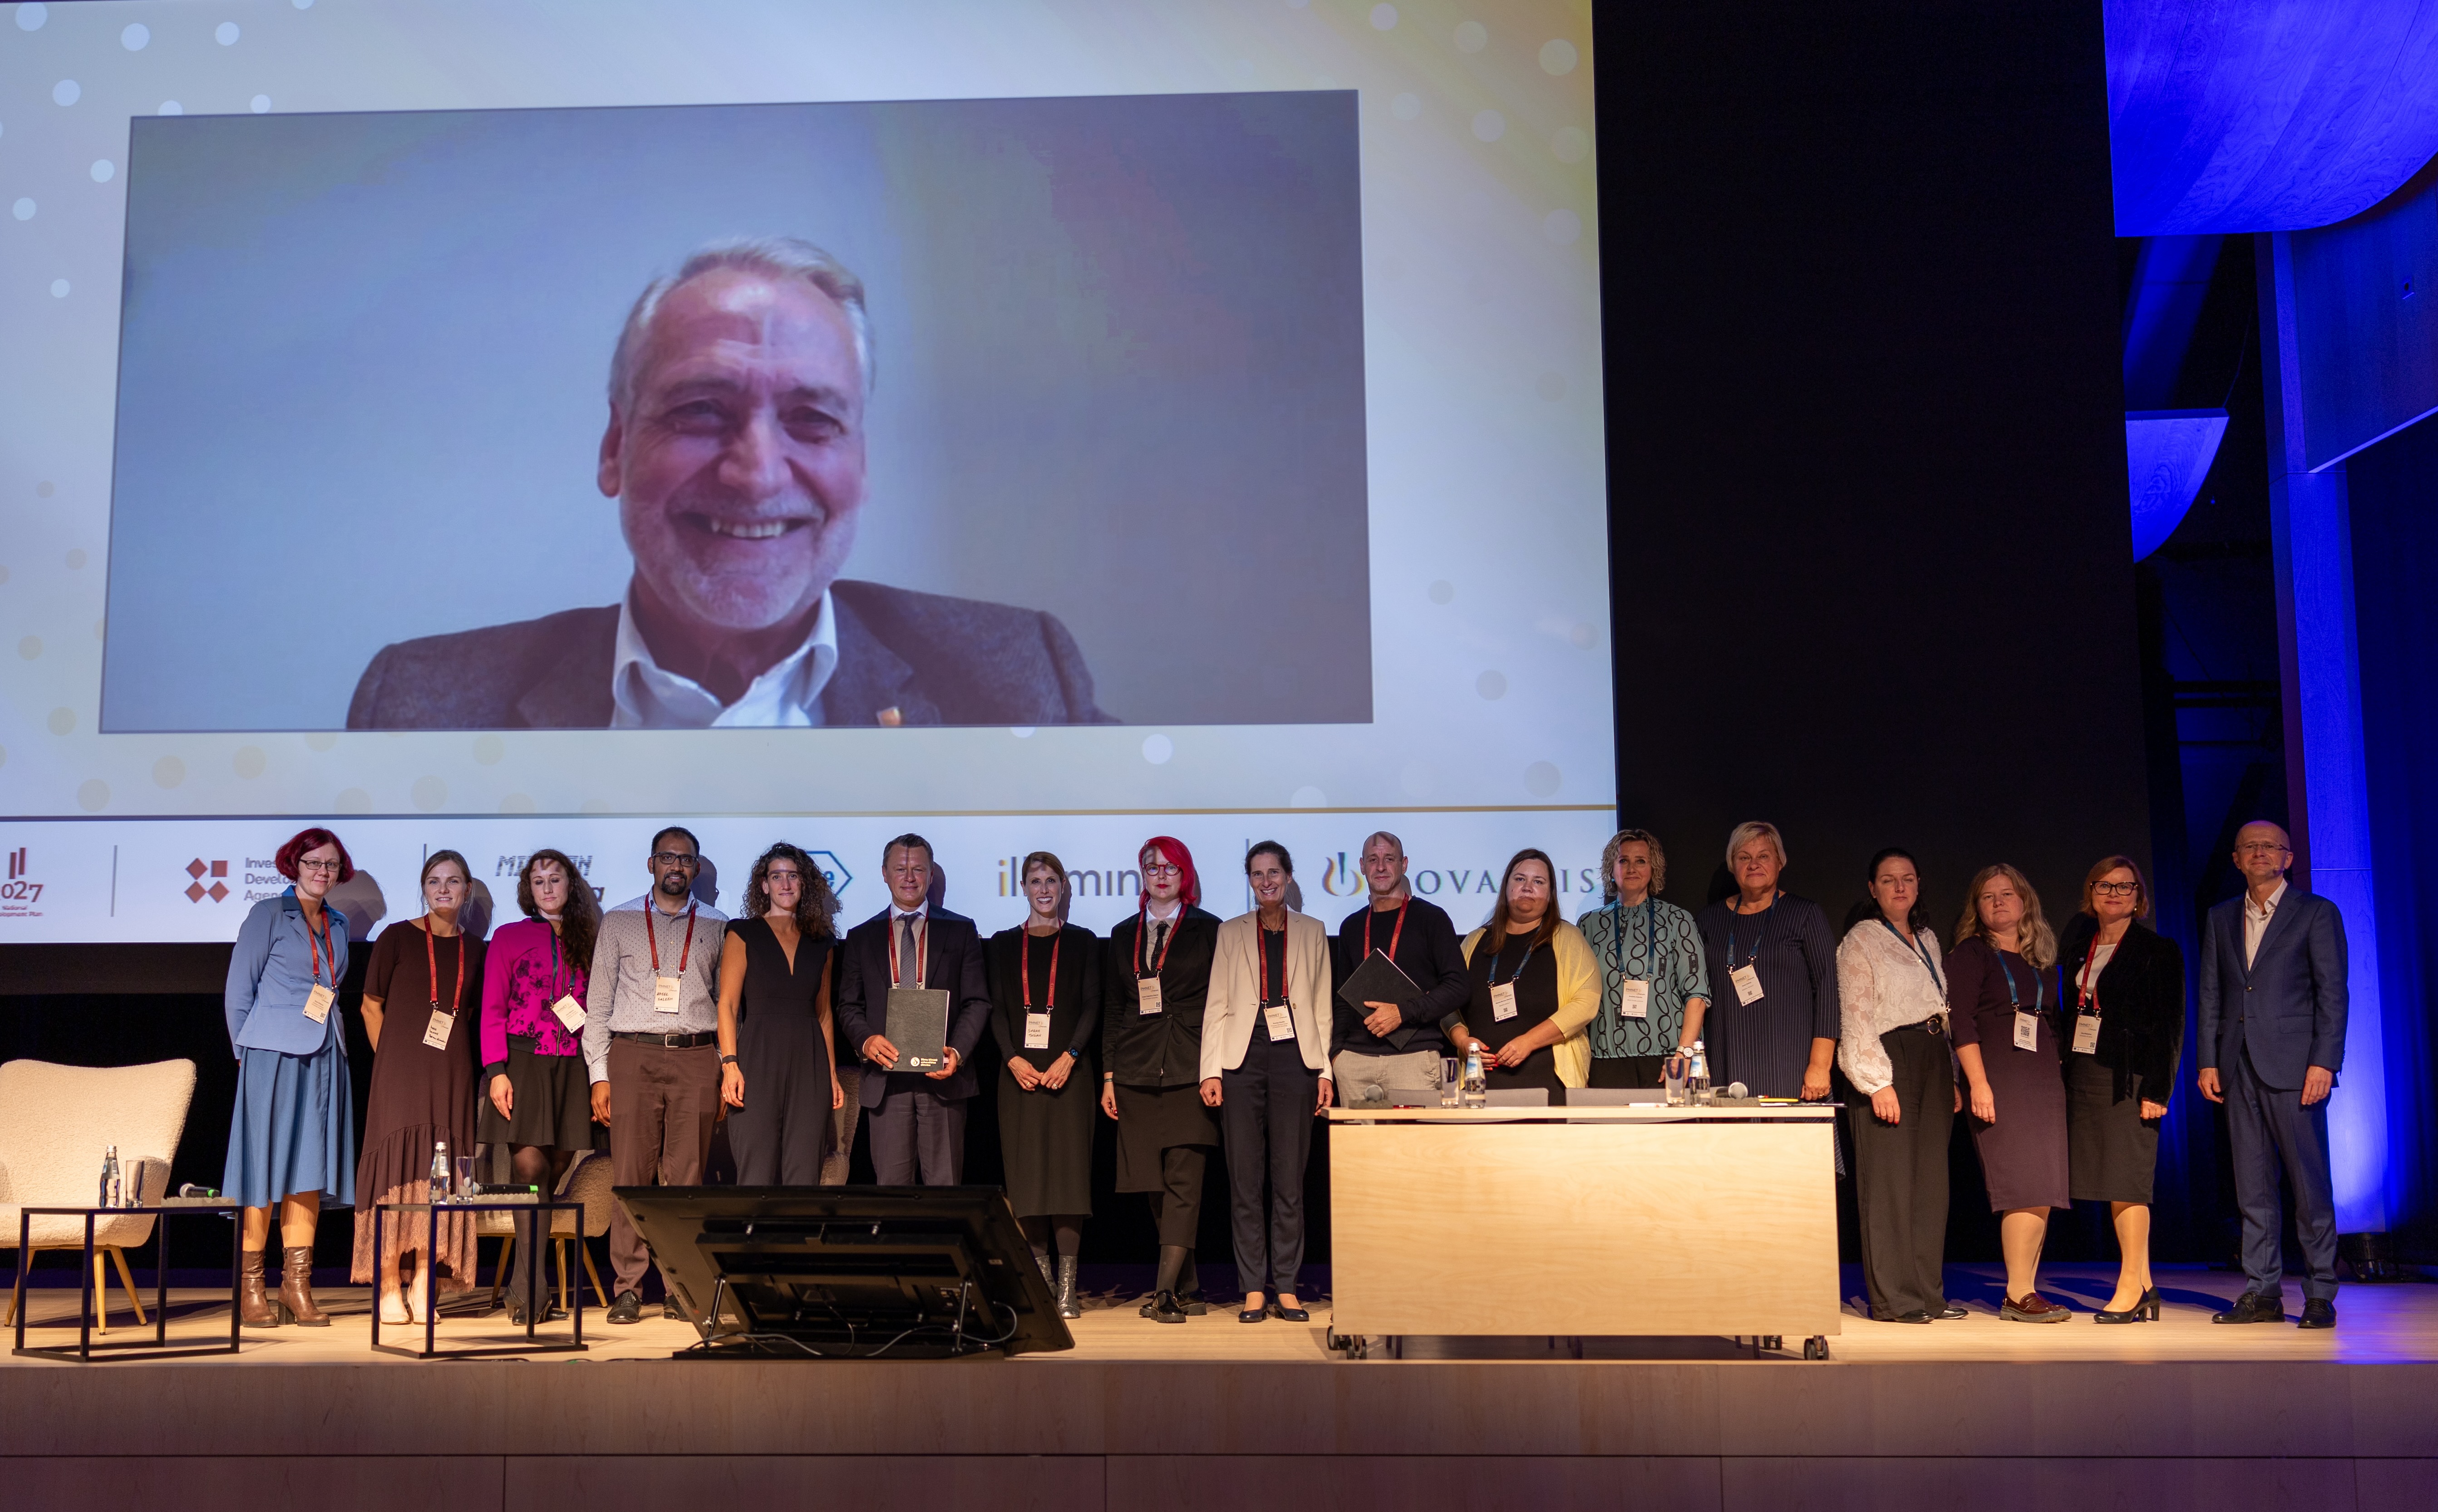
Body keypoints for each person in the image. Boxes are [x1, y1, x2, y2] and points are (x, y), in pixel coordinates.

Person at [347, 237, 1110, 730]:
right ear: (615, 446)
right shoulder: (422, 707)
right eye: (701, 411)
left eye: (812, 419)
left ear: (862, 463)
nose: (756, 473)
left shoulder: (1020, 684)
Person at [2198, 820, 2348, 1330]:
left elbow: (2332, 992)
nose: (2259, 852)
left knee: (2308, 1183)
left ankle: (2320, 1291)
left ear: (2288, 858)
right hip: (2237, 1064)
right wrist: (2207, 1059)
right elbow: (2212, 994)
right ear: (2236, 859)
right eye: (2249, 846)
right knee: (2252, 1186)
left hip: (2296, 1066)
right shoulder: (2221, 917)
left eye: (2270, 846)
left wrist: (2324, 1061)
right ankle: (2261, 1291)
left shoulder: (2316, 912)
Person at [582, 826, 729, 1324]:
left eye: (685, 859)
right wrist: (599, 1075)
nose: (676, 866)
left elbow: (727, 1005)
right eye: (667, 857)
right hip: (633, 1055)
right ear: (651, 864)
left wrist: (724, 1066)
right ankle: (628, 1287)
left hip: (695, 1055)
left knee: (687, 1179)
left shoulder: (719, 925)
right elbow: (598, 1005)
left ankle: (679, 1286)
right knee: (631, 1176)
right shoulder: (619, 919)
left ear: (696, 867)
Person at [222, 827, 357, 1329]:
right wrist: (246, 1052)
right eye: (313, 863)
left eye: (331, 864)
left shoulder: (338, 923)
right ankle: (251, 1287)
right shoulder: (267, 914)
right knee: (262, 1167)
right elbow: (239, 990)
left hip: (325, 1054)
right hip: (271, 1054)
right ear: (294, 866)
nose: (323, 871)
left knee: (309, 1168)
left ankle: (296, 1285)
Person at [352, 850, 485, 1325]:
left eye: (453, 881)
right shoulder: (396, 937)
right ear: (424, 888)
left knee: (445, 1173)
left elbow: (472, 1014)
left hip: (452, 1073)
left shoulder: (478, 948)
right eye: (434, 881)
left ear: (467, 890)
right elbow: (370, 1005)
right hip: (399, 1072)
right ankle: (389, 1281)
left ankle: (426, 1280)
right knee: (397, 1166)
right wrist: (388, 1059)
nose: (443, 889)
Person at [1202, 843, 1334, 1324]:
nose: (1266, 881)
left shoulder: (1313, 930)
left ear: (1288, 876)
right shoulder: (1231, 930)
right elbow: (1217, 1003)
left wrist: (1325, 1070)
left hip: (1296, 1057)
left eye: (1273, 872)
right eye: (1257, 874)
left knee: (1289, 1179)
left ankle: (1288, 1286)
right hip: (1241, 1059)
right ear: (1250, 881)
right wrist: (1210, 1069)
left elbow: (1322, 1007)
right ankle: (1254, 1287)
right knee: (1244, 1179)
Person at [1834, 847, 1963, 1325]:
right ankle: (1894, 1299)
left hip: (1932, 1057)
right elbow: (1855, 1013)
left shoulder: (1927, 938)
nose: (1899, 887)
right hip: (1890, 1059)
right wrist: (1875, 1082)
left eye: (1907, 878)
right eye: (1888, 880)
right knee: (1889, 1183)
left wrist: (1952, 1075)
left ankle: (1928, 1294)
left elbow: (1940, 1009)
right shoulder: (1861, 939)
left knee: (1931, 1184)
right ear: (1873, 889)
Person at [1100, 836, 1223, 1323]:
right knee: (1153, 1186)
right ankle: (1188, 1287)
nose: (1161, 875)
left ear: (1185, 874)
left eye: (1171, 867)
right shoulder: (1122, 932)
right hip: (1135, 1068)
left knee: (1184, 1183)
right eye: (1152, 867)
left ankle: (1165, 1291)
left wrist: (1214, 1068)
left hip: (1190, 1066)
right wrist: (1109, 1075)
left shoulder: (1210, 929)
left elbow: (1222, 1006)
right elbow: (1115, 1008)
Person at [2058, 855, 2185, 1325]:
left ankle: (2130, 1286)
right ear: (2091, 893)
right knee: (2109, 1181)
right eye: (2104, 886)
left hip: (2129, 1080)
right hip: (2085, 1075)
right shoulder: (2079, 947)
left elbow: (2170, 1025)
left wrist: (2158, 1090)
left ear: (2138, 897)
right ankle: (2145, 1285)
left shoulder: (2157, 949)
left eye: (2124, 886)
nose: (2114, 894)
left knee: (2127, 1181)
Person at [478, 847, 602, 1325]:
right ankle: (534, 1291)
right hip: (523, 1061)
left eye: (555, 879)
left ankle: (523, 1285)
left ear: (571, 885)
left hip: (573, 1064)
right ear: (527, 890)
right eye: (538, 881)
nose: (547, 888)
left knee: (553, 1171)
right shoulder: (509, 936)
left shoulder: (591, 937)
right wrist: (497, 1070)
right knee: (530, 1167)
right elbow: (492, 1008)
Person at [834, 834, 991, 1184]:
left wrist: (957, 1053)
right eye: (900, 869)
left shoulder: (960, 929)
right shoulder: (862, 936)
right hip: (887, 1079)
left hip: (944, 1079)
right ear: (884, 873)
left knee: (945, 1191)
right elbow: (849, 1005)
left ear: (931, 875)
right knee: (892, 1193)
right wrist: (866, 1041)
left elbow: (977, 1001)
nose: (909, 877)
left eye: (918, 869)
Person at [1948, 863, 2068, 1322]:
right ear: (1976, 908)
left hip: (2042, 1080)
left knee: (2043, 1187)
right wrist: (1977, 1083)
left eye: (2006, 894)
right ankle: (2017, 1294)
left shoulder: (2040, 960)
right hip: (1999, 1078)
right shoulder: (1971, 954)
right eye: (1987, 896)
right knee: (2021, 1185)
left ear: (2025, 901)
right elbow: (1960, 1022)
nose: (1998, 902)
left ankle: (2027, 1289)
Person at [985, 852, 1102, 1319]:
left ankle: (1068, 1288)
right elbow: (996, 1010)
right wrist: (1012, 1058)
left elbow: (1092, 1005)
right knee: (1028, 1180)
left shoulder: (1083, 941)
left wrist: (1069, 1056)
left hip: (1069, 1074)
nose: (1044, 888)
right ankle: (1044, 1282)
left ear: (1063, 886)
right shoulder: (1001, 944)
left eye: (1052, 880)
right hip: (1019, 1076)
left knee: (1069, 1181)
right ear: (1024, 887)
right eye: (1035, 881)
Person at [718, 843, 843, 1184]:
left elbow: (824, 1014)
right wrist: (730, 1064)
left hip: (809, 1063)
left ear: (804, 883)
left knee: (805, 1173)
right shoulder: (743, 932)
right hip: (757, 1060)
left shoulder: (822, 942)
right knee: (755, 1171)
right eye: (776, 877)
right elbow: (727, 1005)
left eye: (793, 876)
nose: (785, 884)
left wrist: (831, 1074)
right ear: (764, 885)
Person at [1694, 822, 1839, 1101]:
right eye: (1744, 857)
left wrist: (1820, 1065)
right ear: (1733, 865)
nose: (1754, 864)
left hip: (1790, 1063)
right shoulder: (1710, 919)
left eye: (1764, 856)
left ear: (1780, 862)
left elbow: (1828, 990)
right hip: (1727, 1059)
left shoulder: (1804, 914)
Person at [1329, 831, 1469, 1104]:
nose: (1381, 867)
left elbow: (1458, 987)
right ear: (1362, 866)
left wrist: (1402, 1013)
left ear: (1404, 865)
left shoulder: (1432, 919)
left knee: (1413, 1135)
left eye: (1389, 859)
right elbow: (1344, 998)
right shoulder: (1351, 927)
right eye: (1373, 859)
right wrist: (1338, 1054)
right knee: (1356, 1136)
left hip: (1413, 1060)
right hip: (1355, 1064)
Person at [1447, 850, 1599, 1096]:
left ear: (1550, 894)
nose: (1528, 887)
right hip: (1481, 1084)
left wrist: (1529, 1041)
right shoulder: (1475, 941)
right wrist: (1462, 1040)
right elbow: (1447, 1004)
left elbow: (1586, 1002)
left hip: (1549, 1082)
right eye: (1520, 879)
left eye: (1538, 882)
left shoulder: (1567, 937)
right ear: (1506, 886)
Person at [1579, 828, 1710, 1088]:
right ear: (1611, 869)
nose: (1631, 869)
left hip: (1668, 1059)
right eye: (1623, 860)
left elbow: (1697, 994)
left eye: (1641, 861)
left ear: (1653, 869)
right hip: (1606, 1060)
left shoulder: (1678, 920)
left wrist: (1685, 1053)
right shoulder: (1589, 925)